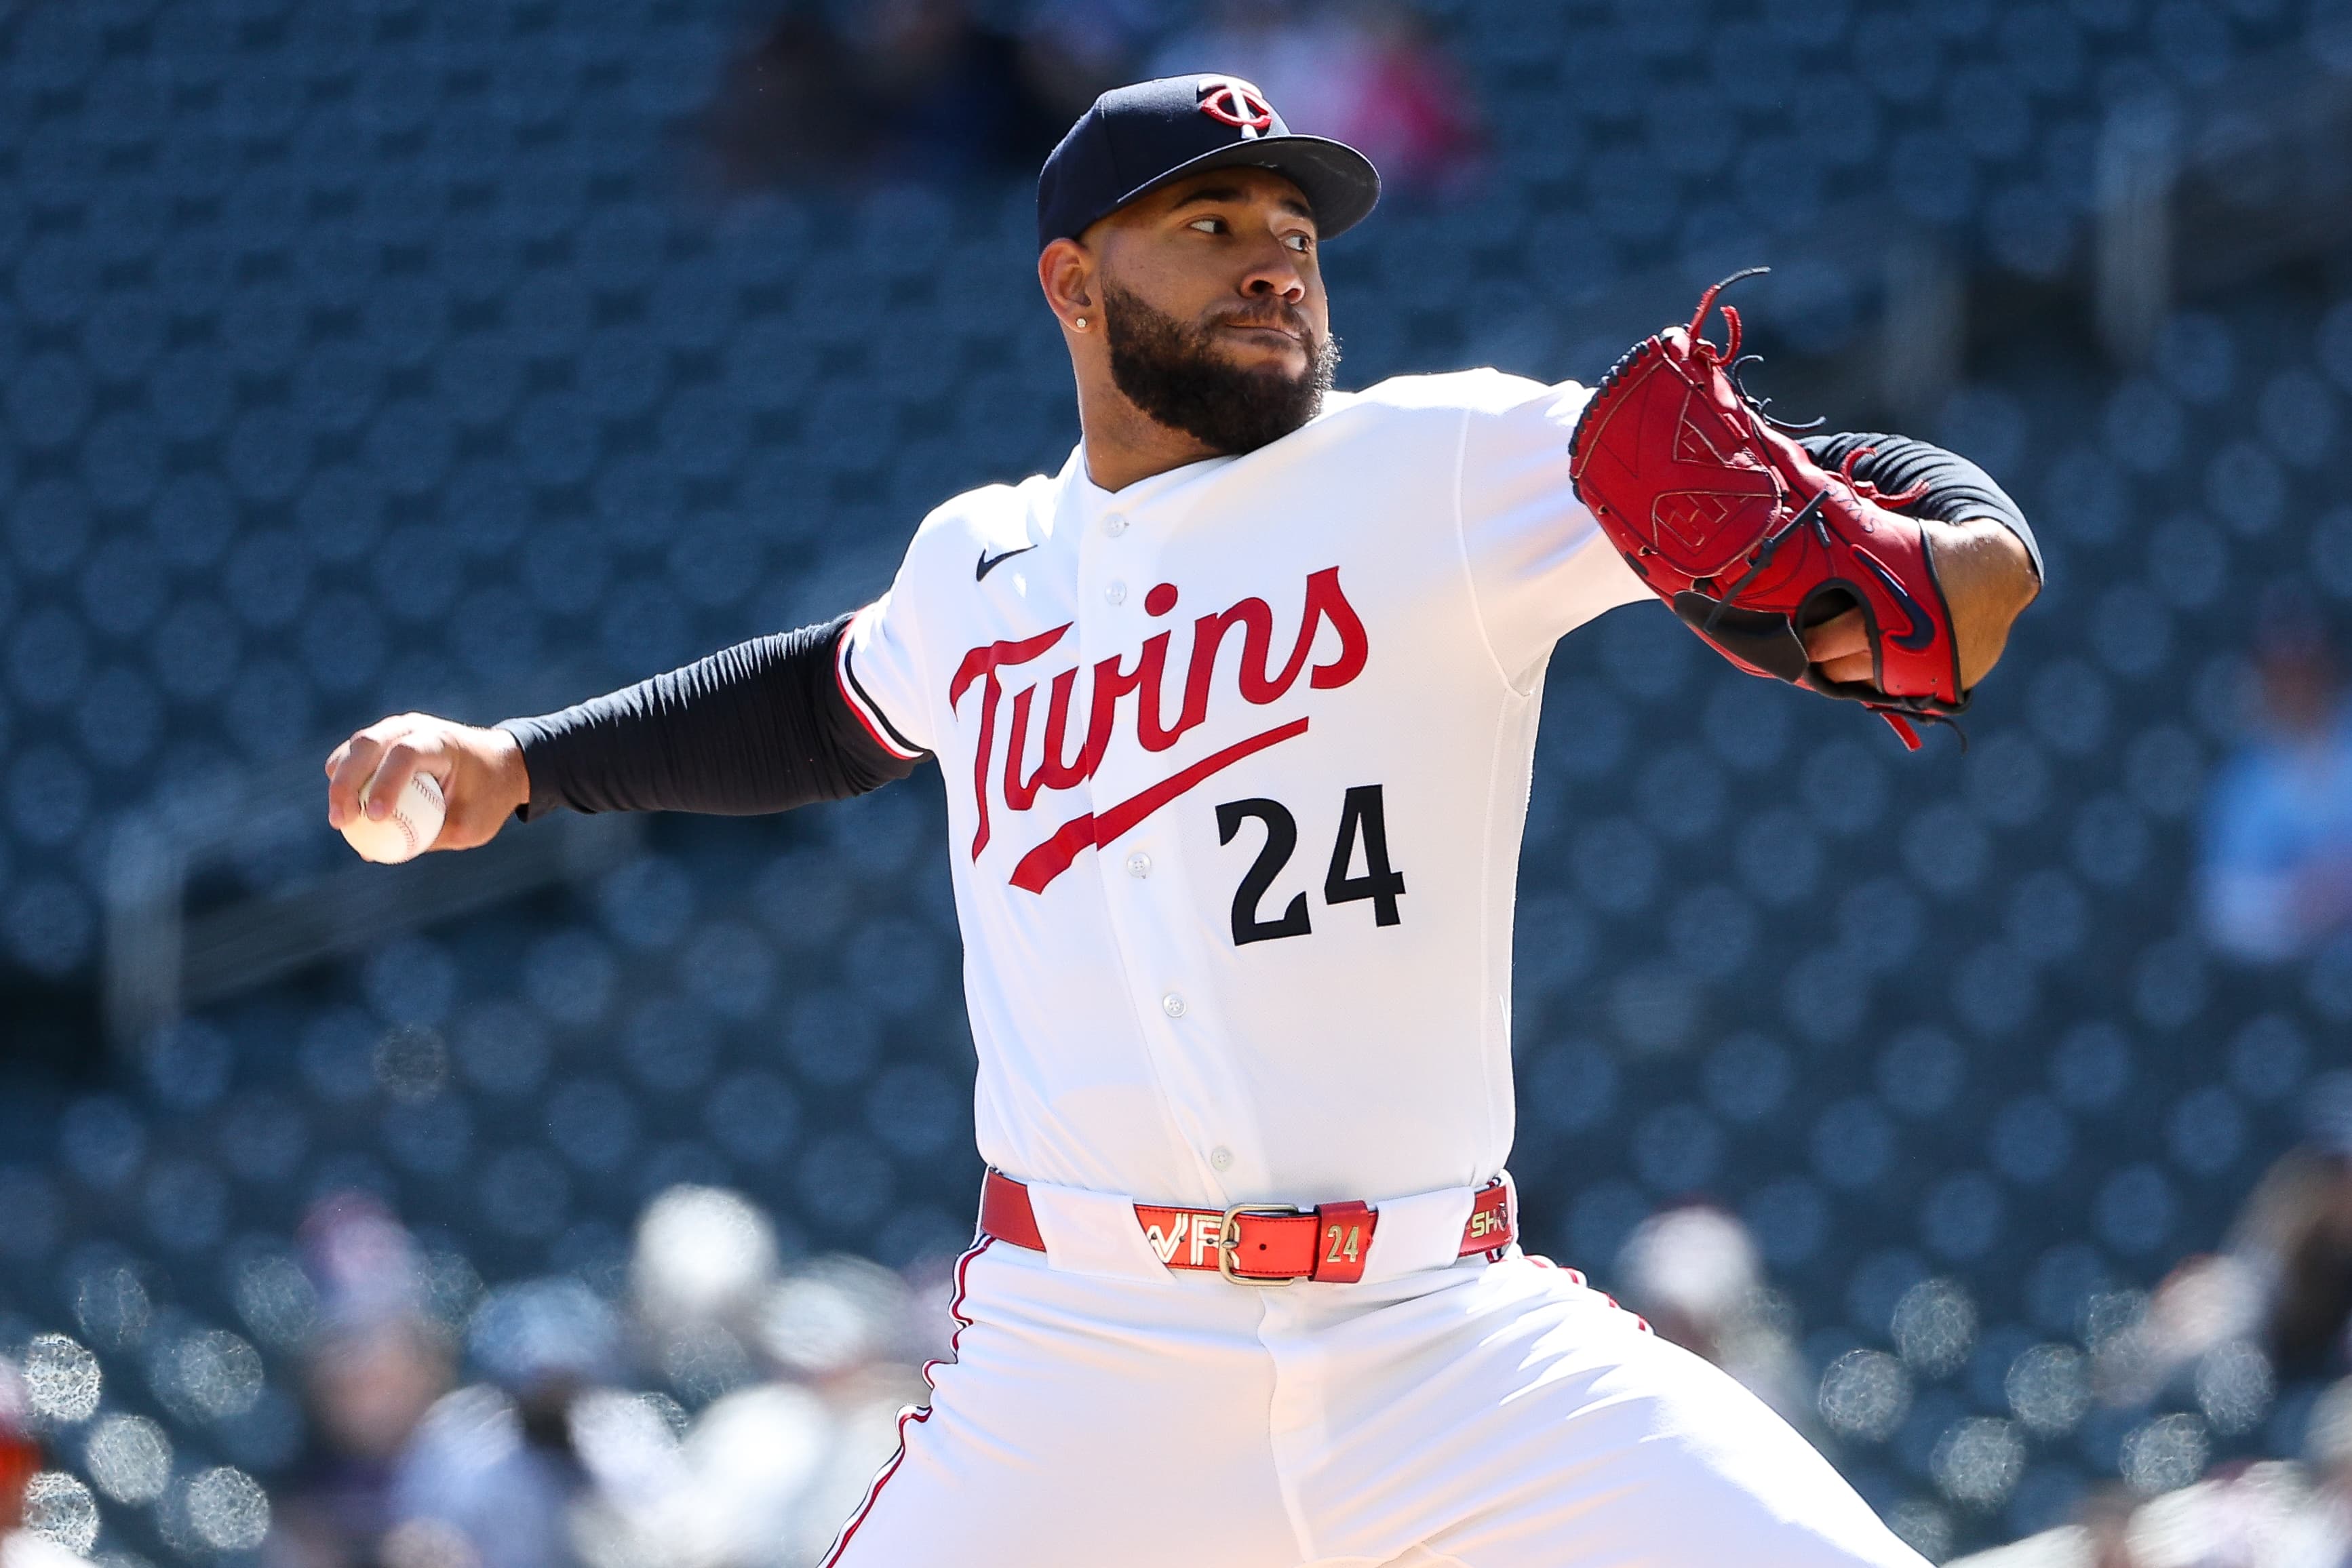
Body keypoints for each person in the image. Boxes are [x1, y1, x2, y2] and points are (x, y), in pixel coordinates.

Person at [326, 75, 2040, 1567]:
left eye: (1291, 221)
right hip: (1082, 1362)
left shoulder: (1439, 463)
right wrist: (522, 761)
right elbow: (822, 706)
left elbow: (1877, 497)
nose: (1271, 251)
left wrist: (1961, 545)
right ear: (1072, 282)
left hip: (1439, 1333)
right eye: (1207, 218)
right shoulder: (981, 560)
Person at [2199, 614, 2352, 962]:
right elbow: (2225, 914)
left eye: (2305, 671)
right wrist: (2304, 901)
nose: (2296, 687)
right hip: (2292, 982)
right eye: (2282, 675)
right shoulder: (2242, 784)